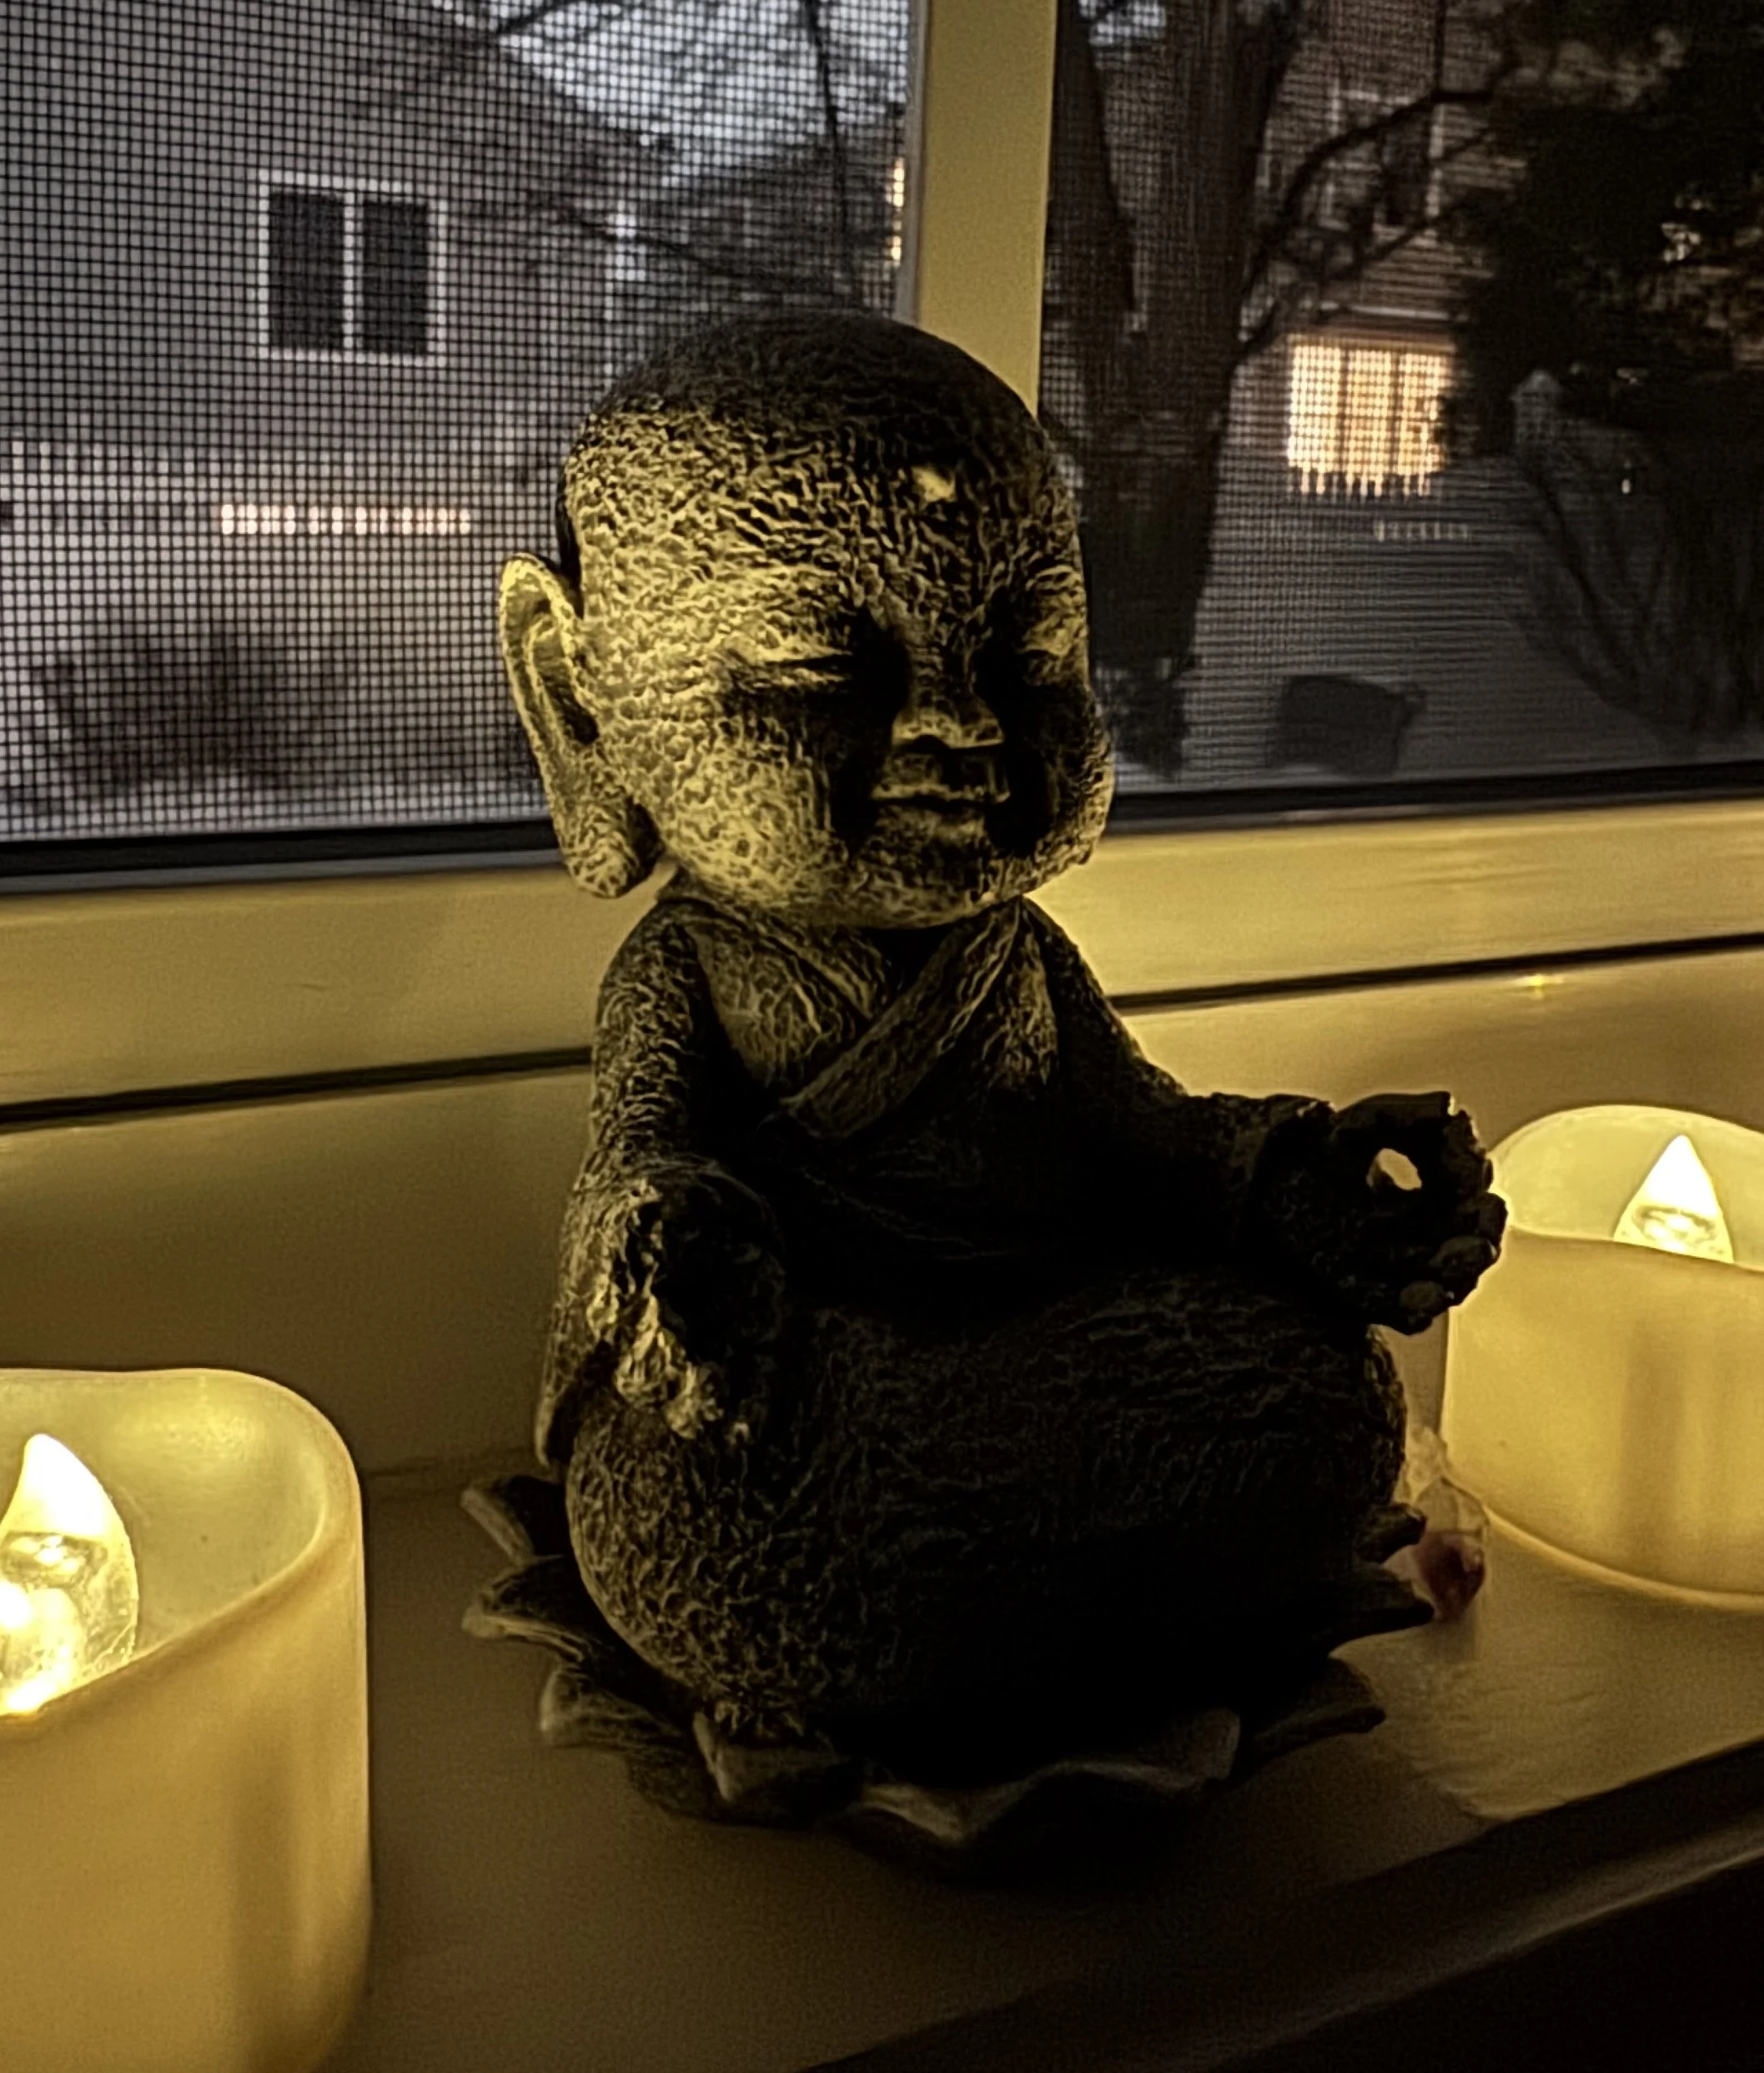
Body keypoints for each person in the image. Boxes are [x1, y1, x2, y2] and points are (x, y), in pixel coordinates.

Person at [485, 310, 1503, 1819]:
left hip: (1044, 1345)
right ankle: (1005, 1585)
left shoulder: (1013, 960)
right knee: (689, 1522)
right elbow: (637, 1160)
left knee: (1331, 1393)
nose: (964, 727)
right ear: (582, 702)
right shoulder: (686, 974)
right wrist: (675, 1253)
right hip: (822, 1394)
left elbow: (1138, 1128)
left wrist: (1285, 1181)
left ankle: (991, 1585)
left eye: (1028, 655)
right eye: (822, 666)